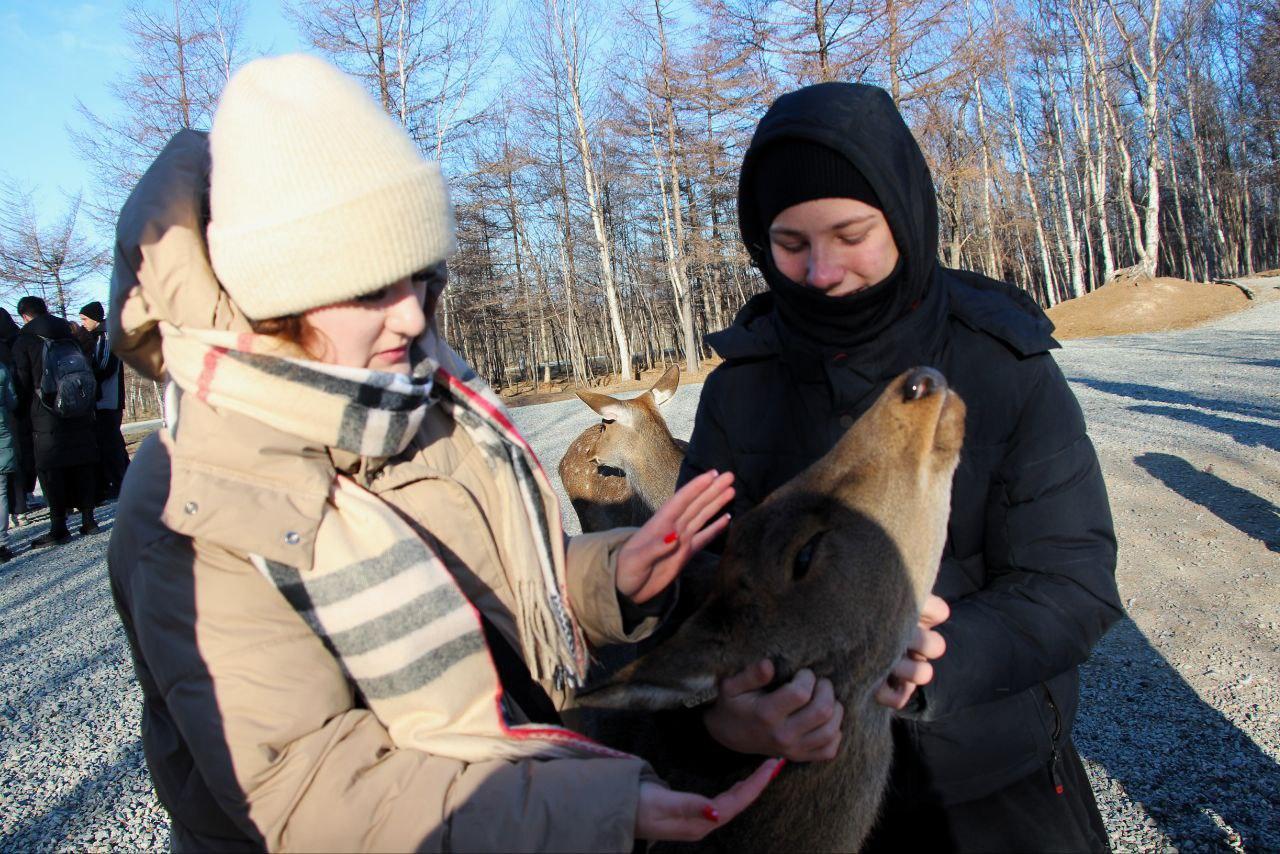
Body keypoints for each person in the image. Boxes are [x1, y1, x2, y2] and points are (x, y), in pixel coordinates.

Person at [107, 55, 778, 852]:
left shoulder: (415, 406)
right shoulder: (196, 491)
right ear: (275, 295)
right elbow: (309, 788)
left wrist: (609, 580)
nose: (411, 318)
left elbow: (493, 594)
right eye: (368, 289)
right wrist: (595, 811)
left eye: (423, 280)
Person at [677, 82, 1123, 852]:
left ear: (906, 218)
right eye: (790, 243)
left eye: (851, 233)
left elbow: (1072, 582)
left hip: (992, 785)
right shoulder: (742, 389)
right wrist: (725, 710)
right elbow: (700, 584)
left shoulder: (999, 362)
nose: (821, 271)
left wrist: (946, 662)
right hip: (802, 798)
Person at [12, 295, 99, 546]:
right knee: (82, 463)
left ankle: (59, 527)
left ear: (25, 316)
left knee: (51, 469)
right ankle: (89, 520)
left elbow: (23, 381)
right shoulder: (69, 333)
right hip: (79, 407)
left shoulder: (25, 340)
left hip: (46, 413)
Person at [77, 301, 130, 500]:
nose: (82, 323)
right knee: (112, 441)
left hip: (108, 398)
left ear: (95, 319)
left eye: (84, 319)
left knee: (111, 443)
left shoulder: (106, 336)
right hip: (103, 399)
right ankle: (124, 478)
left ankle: (119, 482)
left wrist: (87, 376)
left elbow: (106, 366)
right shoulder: (98, 336)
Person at [0, 308, 28, 530]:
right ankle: (19, 509)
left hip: (11, 414)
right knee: (12, 462)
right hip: (11, 414)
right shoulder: (18, 341)